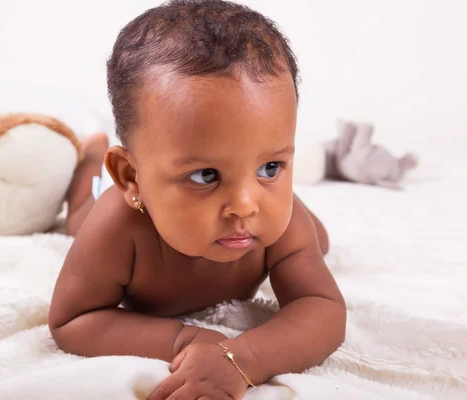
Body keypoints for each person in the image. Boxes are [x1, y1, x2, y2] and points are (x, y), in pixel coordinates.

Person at [49, 1, 346, 398]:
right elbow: (72, 321)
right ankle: (87, 164)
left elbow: (323, 308)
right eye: (205, 176)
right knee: (79, 221)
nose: (245, 204)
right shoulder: (118, 228)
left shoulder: (276, 222)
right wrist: (182, 341)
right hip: (115, 209)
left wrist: (244, 358)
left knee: (312, 237)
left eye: (271, 167)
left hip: (285, 226)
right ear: (130, 176)